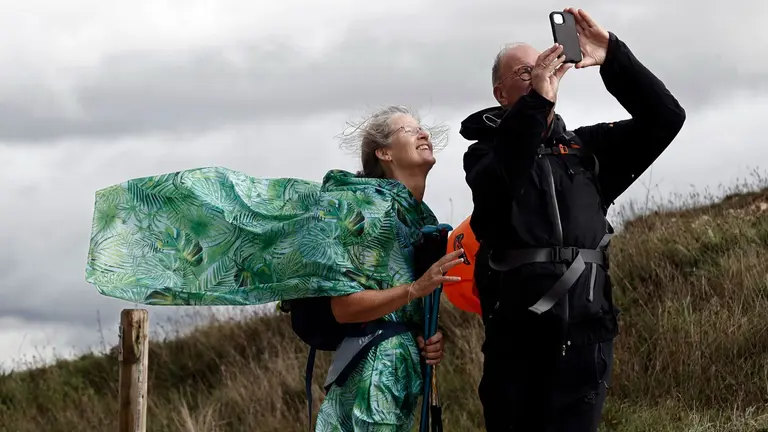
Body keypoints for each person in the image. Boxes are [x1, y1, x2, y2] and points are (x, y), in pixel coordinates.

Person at [84, 105, 465, 431]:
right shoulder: (366, 208)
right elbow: (344, 307)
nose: (423, 133)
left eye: (422, 127)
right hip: (372, 376)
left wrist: (424, 338)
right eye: (408, 129)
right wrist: (415, 290)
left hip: (400, 373)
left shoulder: (419, 218)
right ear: (384, 152)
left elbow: (399, 308)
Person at [459, 8, 686, 432]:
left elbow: (666, 119)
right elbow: (501, 180)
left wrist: (614, 57)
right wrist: (538, 103)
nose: (539, 74)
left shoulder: (586, 151)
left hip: (587, 341)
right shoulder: (483, 155)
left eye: (545, 64)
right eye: (526, 71)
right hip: (517, 345)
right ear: (500, 92)